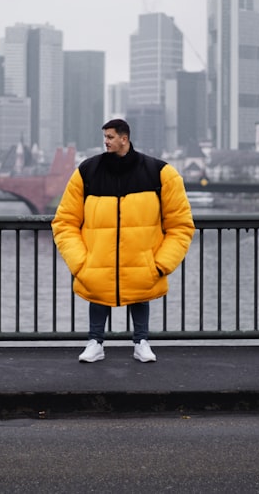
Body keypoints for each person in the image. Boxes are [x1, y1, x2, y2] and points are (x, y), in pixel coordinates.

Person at [51, 118, 194, 363]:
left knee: (139, 294)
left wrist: (160, 265)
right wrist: (80, 264)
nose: (105, 142)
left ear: (124, 138)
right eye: (104, 137)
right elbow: (64, 222)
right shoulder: (86, 171)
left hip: (142, 261)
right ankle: (95, 342)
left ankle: (142, 342)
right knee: (98, 295)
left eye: (109, 137)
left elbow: (180, 226)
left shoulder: (161, 173)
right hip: (97, 261)